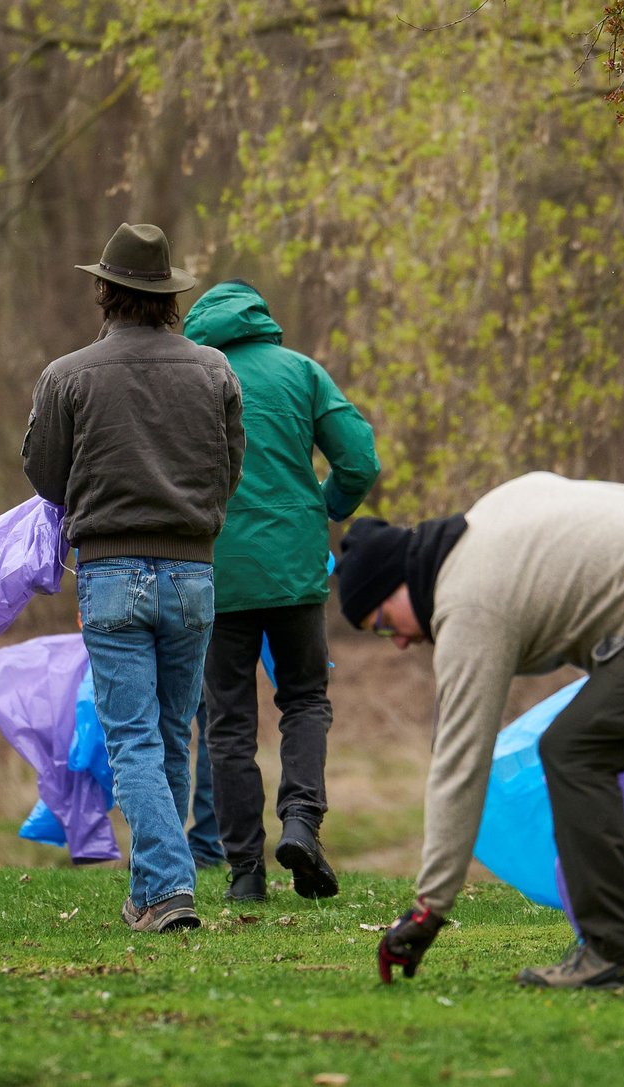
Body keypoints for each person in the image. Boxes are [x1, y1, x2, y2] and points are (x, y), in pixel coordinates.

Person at [337, 472, 624, 991]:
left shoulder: (466, 600)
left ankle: (619, 951)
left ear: (401, 580)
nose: (397, 642)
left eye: (384, 623)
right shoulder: (500, 507)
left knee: (573, 751)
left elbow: (460, 759)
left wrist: (429, 908)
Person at [24, 224, 245, 932]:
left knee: (134, 741)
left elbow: (44, 474)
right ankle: (154, 892)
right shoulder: (215, 371)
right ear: (170, 295)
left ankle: (170, 888)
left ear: (105, 291)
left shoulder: (67, 375)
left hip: (112, 572)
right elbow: (228, 470)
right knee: (171, 736)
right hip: (193, 575)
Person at [183, 280, 382, 903]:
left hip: (218, 568)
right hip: (294, 568)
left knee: (228, 724)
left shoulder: (192, 377)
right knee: (304, 701)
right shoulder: (301, 372)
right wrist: (323, 508)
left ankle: (245, 872)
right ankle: (300, 822)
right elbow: (360, 461)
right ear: (260, 317)